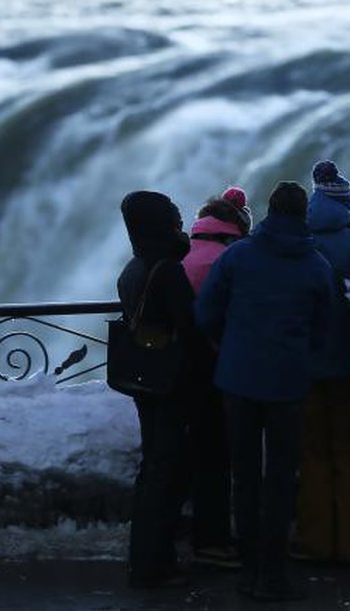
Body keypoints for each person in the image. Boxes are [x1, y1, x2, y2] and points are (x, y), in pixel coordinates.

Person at [196, 182, 333, 601]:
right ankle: (274, 574)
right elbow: (325, 329)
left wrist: (229, 345)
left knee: (245, 476)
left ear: (269, 211)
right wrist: (299, 355)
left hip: (237, 380)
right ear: (303, 216)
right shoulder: (315, 265)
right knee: (279, 478)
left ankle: (248, 572)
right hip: (287, 384)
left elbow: (205, 311)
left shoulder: (239, 255)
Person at [116, 190, 211, 588]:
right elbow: (190, 330)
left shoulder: (132, 269)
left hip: (145, 382)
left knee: (151, 467)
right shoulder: (168, 270)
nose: (180, 222)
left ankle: (148, 558)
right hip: (172, 385)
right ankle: (152, 565)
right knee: (166, 472)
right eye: (173, 216)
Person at [292, 161, 350, 565]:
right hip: (348, 367)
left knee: (311, 455)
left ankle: (313, 541)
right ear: (346, 207)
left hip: (304, 368)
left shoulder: (298, 245)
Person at [178, 186, 252, 569]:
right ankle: (214, 540)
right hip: (213, 368)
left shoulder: (184, 254)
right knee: (215, 457)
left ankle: (180, 530)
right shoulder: (229, 260)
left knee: (184, 453)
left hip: (174, 370)